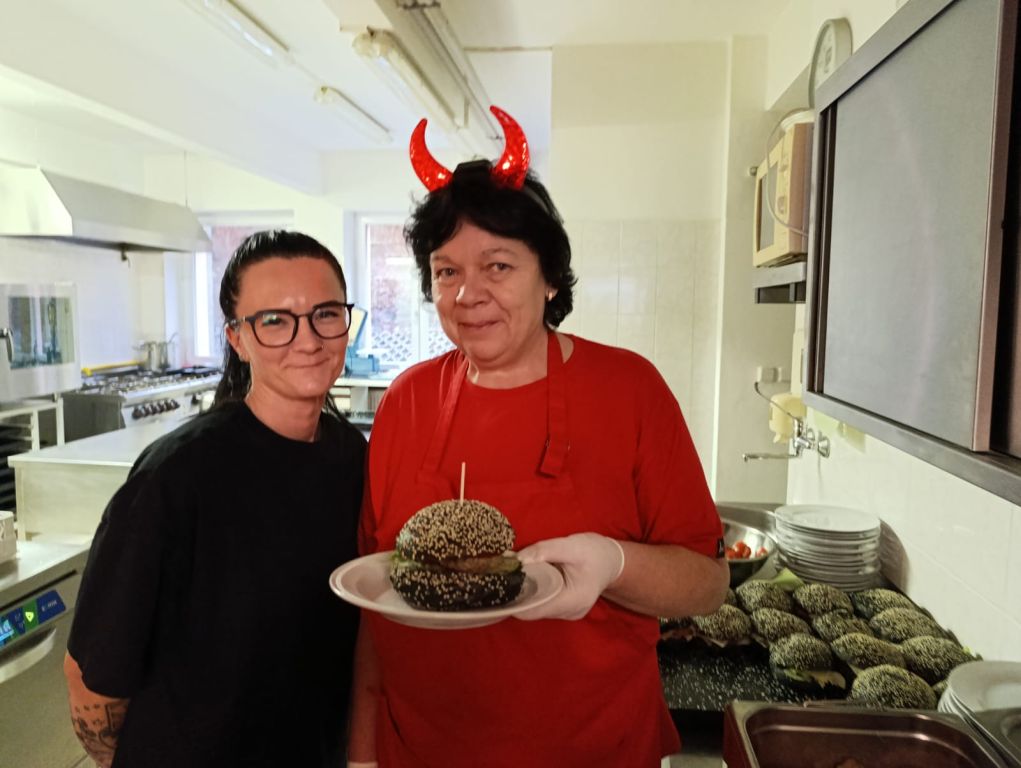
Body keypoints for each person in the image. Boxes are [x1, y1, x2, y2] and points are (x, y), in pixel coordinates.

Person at [347, 107, 729, 768]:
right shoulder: (406, 400)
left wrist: (615, 564)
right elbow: (374, 598)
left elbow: (706, 584)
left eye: (497, 266)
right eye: (446, 271)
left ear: (549, 278)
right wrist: (361, 750)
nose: (467, 294)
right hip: (420, 749)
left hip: (593, 749)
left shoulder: (629, 389)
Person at [64, 230, 366, 768]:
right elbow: (91, 676)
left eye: (325, 313)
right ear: (237, 338)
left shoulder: (351, 457)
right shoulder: (177, 476)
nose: (308, 340)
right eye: (274, 320)